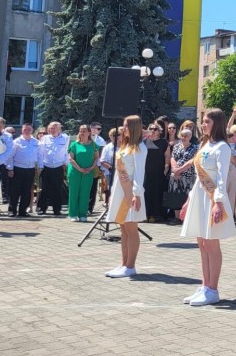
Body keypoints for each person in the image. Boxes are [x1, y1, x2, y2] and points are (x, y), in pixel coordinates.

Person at [181, 108, 236, 305]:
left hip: (212, 199)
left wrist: (218, 203)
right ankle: (205, 285)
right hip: (200, 197)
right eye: (203, 121)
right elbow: (199, 177)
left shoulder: (222, 147)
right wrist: (189, 199)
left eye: (207, 122)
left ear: (217, 124)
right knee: (202, 243)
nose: (203, 125)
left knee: (211, 244)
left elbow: (221, 178)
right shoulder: (205, 145)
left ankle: (213, 289)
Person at [105, 115, 147, 278]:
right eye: (123, 125)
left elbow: (139, 173)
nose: (124, 129)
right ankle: (123, 263)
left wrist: (137, 194)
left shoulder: (139, 148)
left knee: (131, 227)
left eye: (127, 126)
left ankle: (131, 266)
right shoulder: (125, 145)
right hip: (120, 189)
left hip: (130, 191)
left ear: (135, 127)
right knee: (123, 228)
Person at [67, 124, 98, 222]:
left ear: (89, 132)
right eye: (80, 131)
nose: (82, 133)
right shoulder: (74, 144)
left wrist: (91, 168)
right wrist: (79, 169)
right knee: (74, 193)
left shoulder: (94, 144)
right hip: (75, 172)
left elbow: (96, 158)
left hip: (88, 172)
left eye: (84, 131)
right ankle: (73, 214)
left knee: (85, 193)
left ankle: (83, 214)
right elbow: (71, 158)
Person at [8, 124, 39, 218]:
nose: (27, 131)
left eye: (29, 129)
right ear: (22, 130)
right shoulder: (16, 141)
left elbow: (40, 155)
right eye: (25, 129)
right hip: (18, 168)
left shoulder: (36, 142)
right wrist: (10, 168)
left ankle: (23, 211)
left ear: (32, 130)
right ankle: (12, 210)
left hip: (30, 169)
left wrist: (40, 167)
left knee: (27, 191)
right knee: (15, 191)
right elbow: (10, 156)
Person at [37, 122, 69, 216]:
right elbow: (40, 153)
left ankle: (57, 209)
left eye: (54, 128)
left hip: (59, 166)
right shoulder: (45, 138)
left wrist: (65, 163)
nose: (52, 130)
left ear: (60, 129)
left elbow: (67, 152)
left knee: (57, 189)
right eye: (50, 128)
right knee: (44, 188)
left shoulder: (65, 138)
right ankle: (42, 208)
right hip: (46, 166)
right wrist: (40, 166)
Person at [168, 127, 197, 221]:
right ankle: (177, 217)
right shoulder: (176, 146)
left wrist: (179, 170)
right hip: (175, 175)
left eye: (186, 136)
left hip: (187, 176)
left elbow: (192, 161)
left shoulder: (195, 148)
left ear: (190, 137)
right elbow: (172, 158)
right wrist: (175, 169)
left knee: (186, 195)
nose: (183, 137)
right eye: (182, 135)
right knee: (175, 195)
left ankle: (185, 218)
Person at [142, 122, 168, 223]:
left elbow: (167, 157)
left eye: (155, 129)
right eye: (151, 129)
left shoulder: (163, 142)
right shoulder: (144, 142)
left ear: (159, 131)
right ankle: (145, 214)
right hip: (146, 171)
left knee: (156, 193)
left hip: (158, 171)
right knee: (145, 192)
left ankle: (154, 215)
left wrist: (166, 169)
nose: (153, 131)